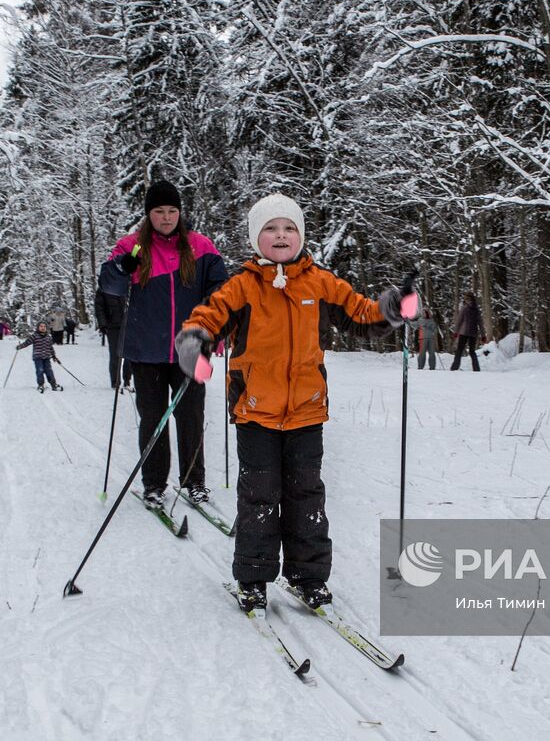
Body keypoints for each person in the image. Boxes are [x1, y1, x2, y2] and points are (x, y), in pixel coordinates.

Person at [173, 193, 415, 612]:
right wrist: (195, 340)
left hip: (306, 410)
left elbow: (360, 315)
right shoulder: (243, 286)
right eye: (270, 228)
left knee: (307, 496)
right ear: (256, 238)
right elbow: (208, 316)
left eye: (289, 228)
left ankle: (307, 577)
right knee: (259, 496)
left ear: (300, 237)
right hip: (255, 412)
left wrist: (391, 309)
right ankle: (252, 577)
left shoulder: (320, 283)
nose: (280, 235)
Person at [109, 181, 228, 507]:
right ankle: (154, 485)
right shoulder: (131, 246)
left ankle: (195, 483)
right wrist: (123, 268)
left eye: (172, 211)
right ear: (149, 214)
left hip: (192, 345)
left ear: (180, 212)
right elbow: (109, 285)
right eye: (159, 211)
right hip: (145, 348)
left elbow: (222, 289)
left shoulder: (201, 247)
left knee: (191, 416)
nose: (166, 217)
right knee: (153, 418)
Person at [94, 257, 131, 391]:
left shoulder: (128, 283)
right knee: (115, 354)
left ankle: (127, 380)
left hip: (129, 324)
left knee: (130, 355)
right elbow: (99, 307)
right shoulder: (103, 287)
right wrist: (103, 324)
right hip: (113, 325)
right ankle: (115, 381)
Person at [16, 321, 63, 393]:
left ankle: (53, 384)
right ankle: (41, 385)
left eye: (44, 326)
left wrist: (54, 356)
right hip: (38, 357)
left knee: (49, 371)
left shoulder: (48, 337)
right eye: (41, 326)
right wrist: (20, 346)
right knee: (40, 370)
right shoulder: (35, 336)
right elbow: (27, 342)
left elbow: (50, 347)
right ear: (38, 327)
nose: (43, 328)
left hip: (46, 357)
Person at [449, 293, 483, 371]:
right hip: (472, 333)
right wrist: (483, 334)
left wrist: (456, 332)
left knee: (460, 350)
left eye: (468, 299)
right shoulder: (476, 309)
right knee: (471, 351)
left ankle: (454, 368)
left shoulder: (465, 308)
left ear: (471, 299)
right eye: (466, 299)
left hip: (464, 333)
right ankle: (476, 369)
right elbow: (480, 323)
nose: (467, 301)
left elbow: (459, 321)